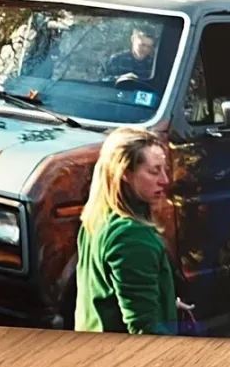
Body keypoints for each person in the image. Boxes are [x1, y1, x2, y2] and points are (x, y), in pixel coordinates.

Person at [74, 127, 192, 335]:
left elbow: (115, 296)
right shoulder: (131, 238)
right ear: (125, 174)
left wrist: (167, 304)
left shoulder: (97, 217)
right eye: (154, 171)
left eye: (164, 169)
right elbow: (144, 328)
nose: (165, 180)